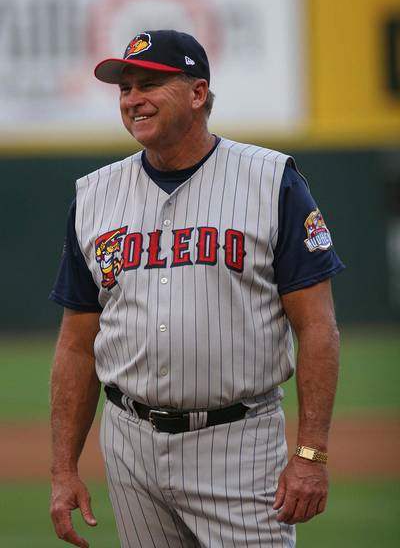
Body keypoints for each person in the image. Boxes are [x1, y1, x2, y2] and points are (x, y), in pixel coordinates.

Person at [49, 29, 344, 548]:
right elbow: (76, 343)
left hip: (238, 444)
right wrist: (62, 469)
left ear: (197, 93)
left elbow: (317, 327)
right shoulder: (94, 194)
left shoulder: (271, 180)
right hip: (130, 444)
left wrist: (311, 454)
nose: (133, 99)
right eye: (125, 88)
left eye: (150, 84)